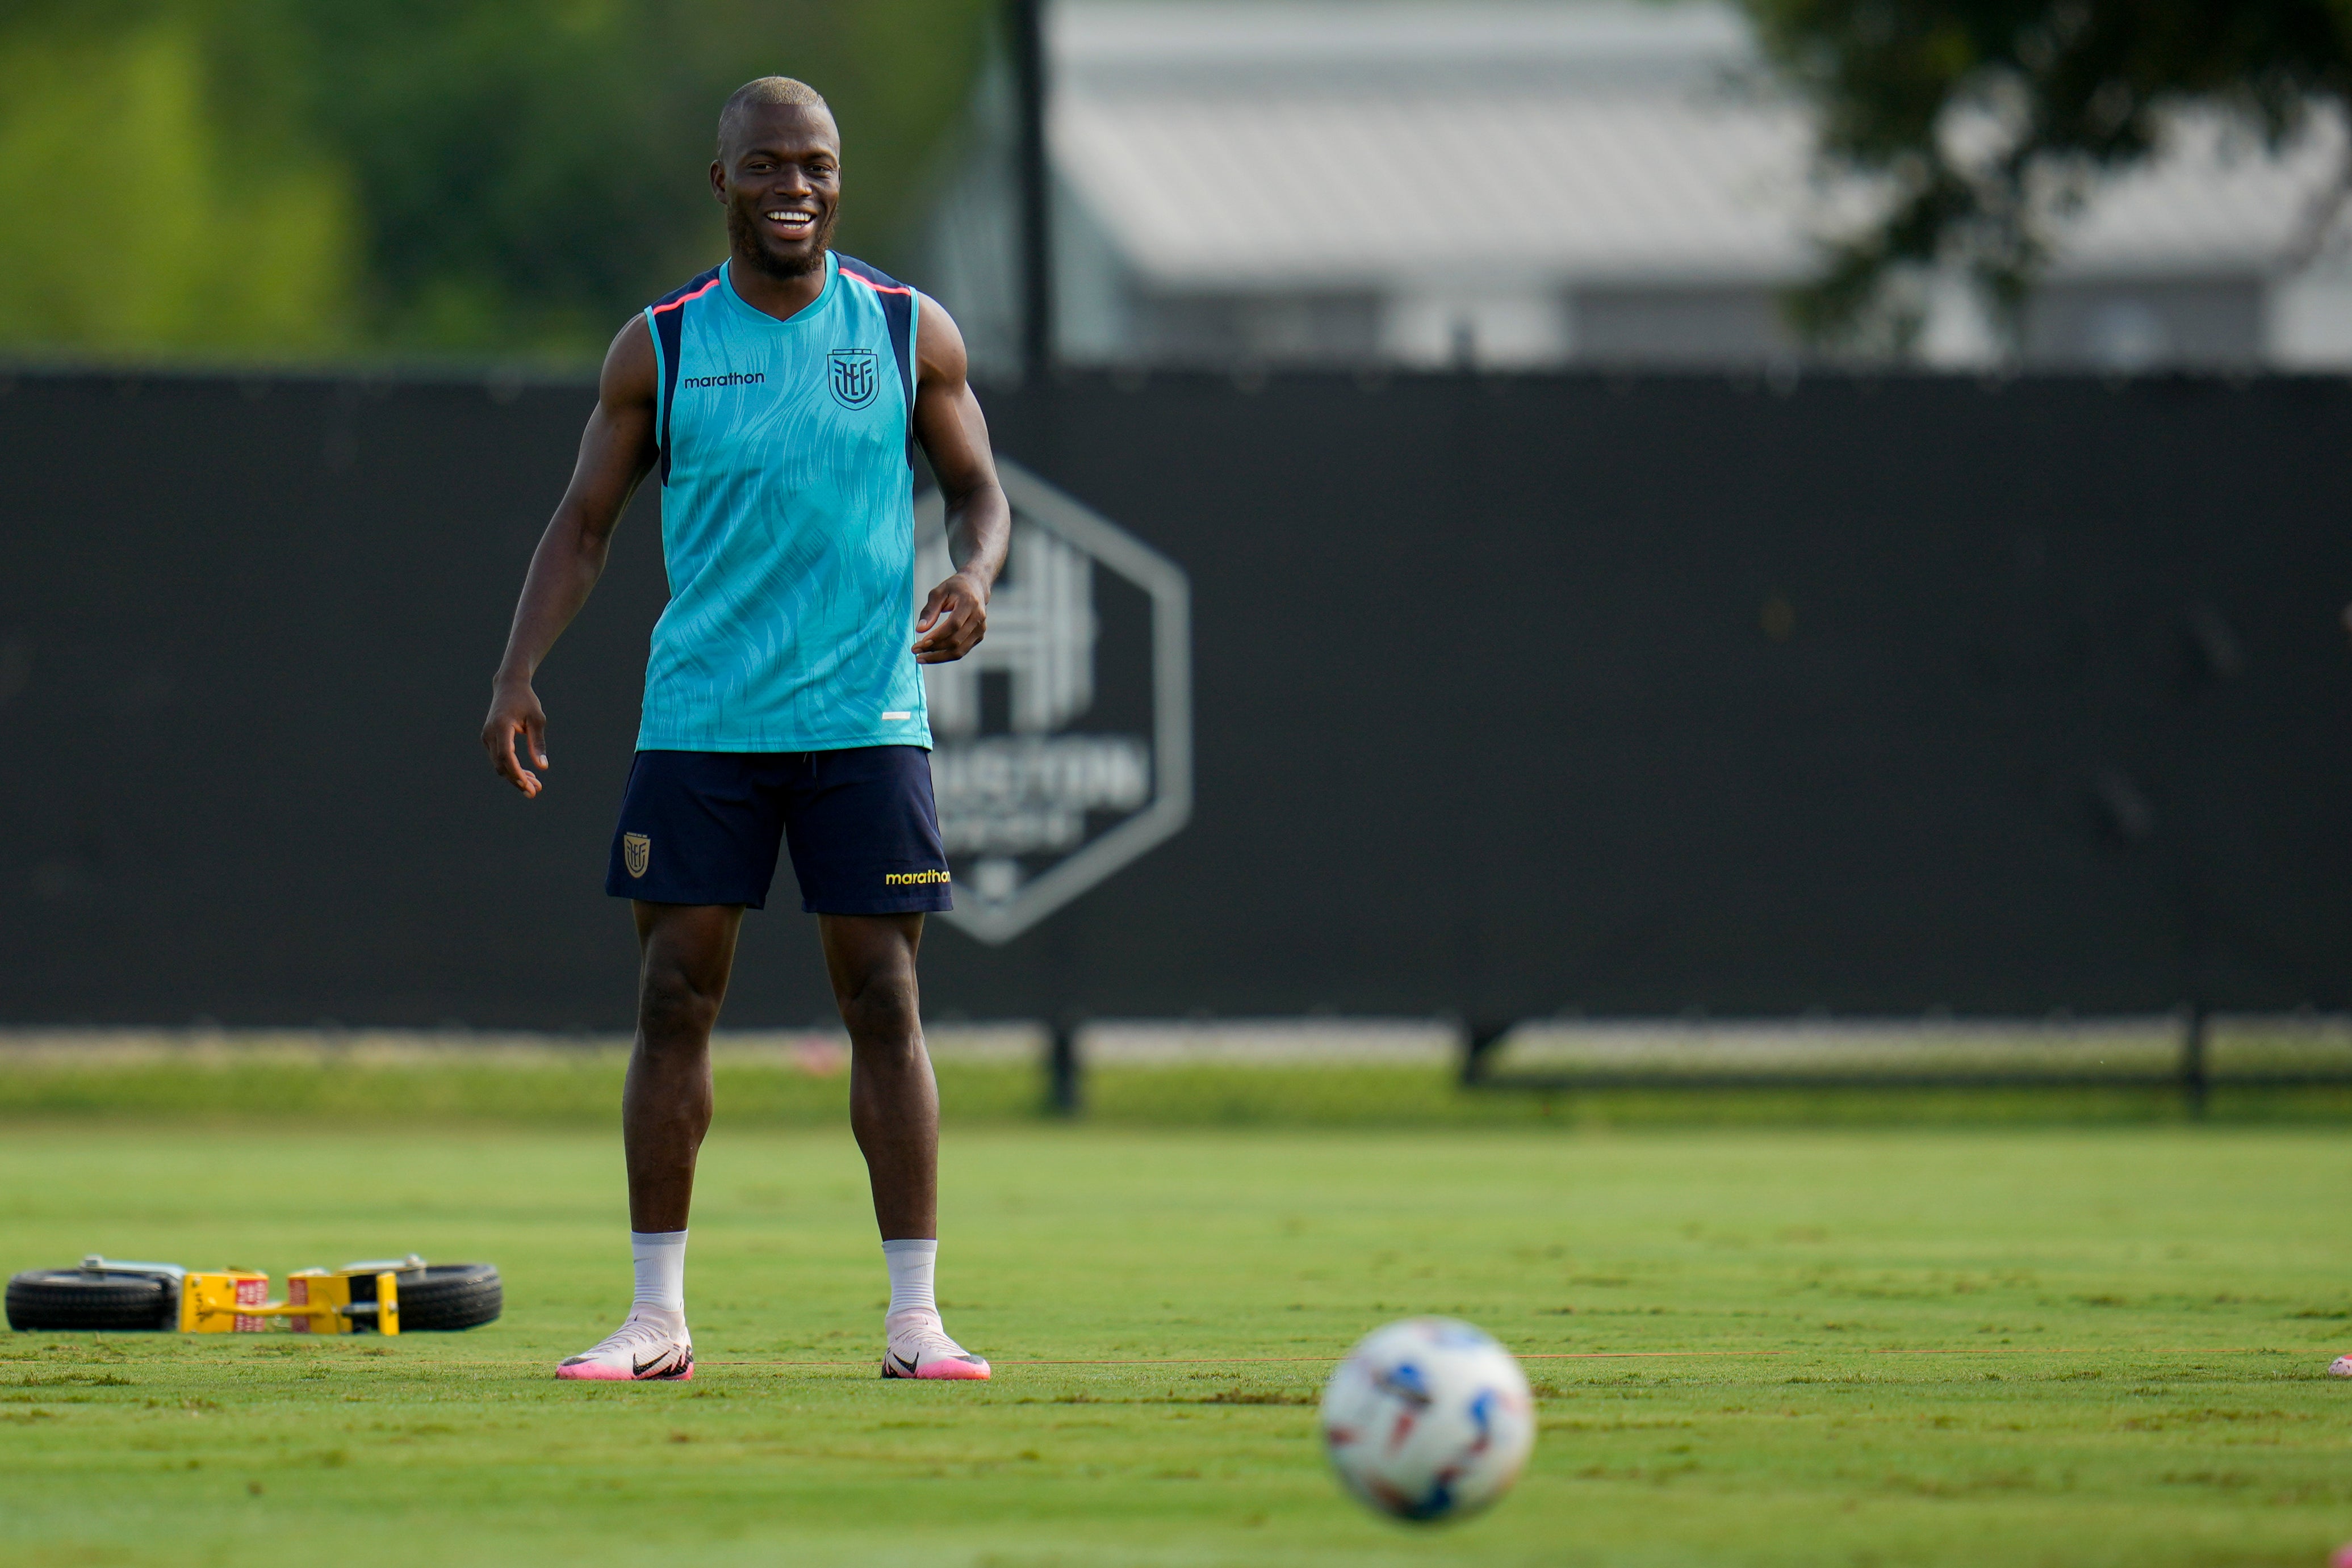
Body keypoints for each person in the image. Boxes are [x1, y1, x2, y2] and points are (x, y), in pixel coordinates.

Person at [480, 76, 1009, 1383]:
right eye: (768, 166)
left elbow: (978, 490)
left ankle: (914, 1321)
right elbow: (584, 526)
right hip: (706, 718)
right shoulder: (657, 346)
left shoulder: (901, 330)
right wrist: (518, 669)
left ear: (840, 179)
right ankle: (656, 1317)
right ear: (722, 182)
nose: (797, 188)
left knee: (884, 999)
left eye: (818, 166)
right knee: (673, 999)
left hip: (865, 719)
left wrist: (973, 577)